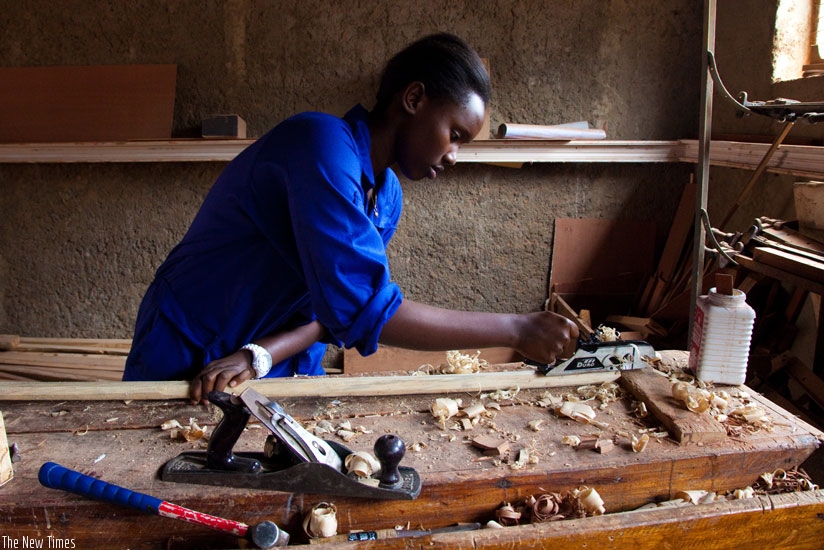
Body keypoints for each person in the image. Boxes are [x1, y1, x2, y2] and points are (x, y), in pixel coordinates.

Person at [123, 33, 578, 404]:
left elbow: (334, 312)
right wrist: (515, 329)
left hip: (266, 356)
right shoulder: (320, 143)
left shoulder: (387, 198)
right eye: (455, 134)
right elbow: (364, 308)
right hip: (190, 337)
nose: (454, 155)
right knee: (149, 471)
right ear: (415, 98)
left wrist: (259, 354)